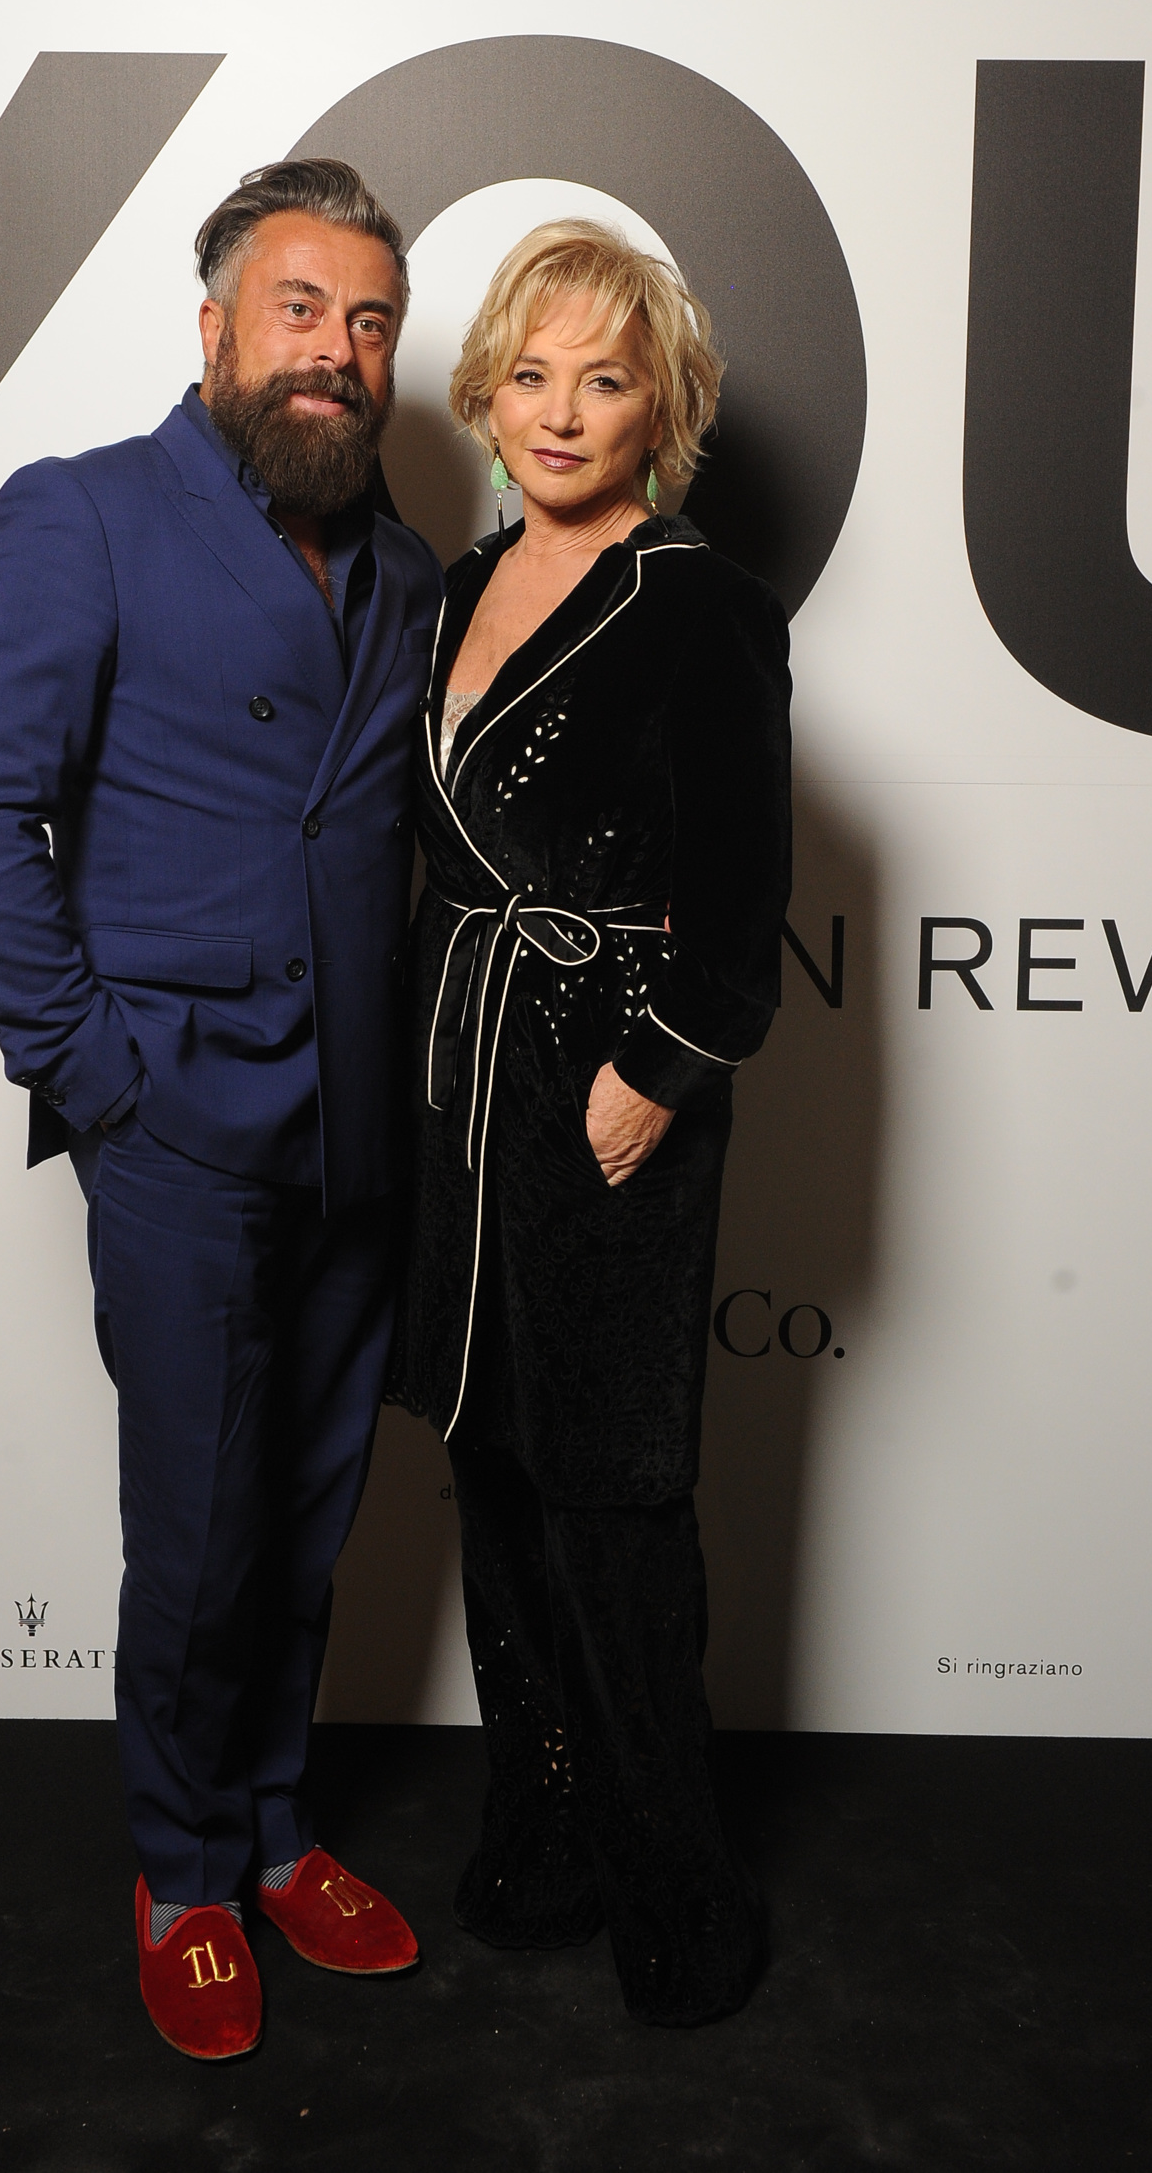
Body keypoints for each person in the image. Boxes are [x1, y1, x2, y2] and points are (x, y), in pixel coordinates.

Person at [0, 159, 442, 2062]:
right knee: (201, 1526)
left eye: (370, 322)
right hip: (179, 1122)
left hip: (358, 1128)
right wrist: (98, 1077)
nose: (336, 351)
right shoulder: (83, 513)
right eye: (300, 308)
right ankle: (182, 1868)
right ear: (214, 327)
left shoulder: (409, 569)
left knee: (310, 1510)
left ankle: (278, 1829)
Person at [393, 219, 793, 2026]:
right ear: (487, 394)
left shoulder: (703, 605)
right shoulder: (458, 578)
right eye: (533, 374)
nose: (562, 411)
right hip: (463, 1086)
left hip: (606, 1087)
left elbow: (742, 907)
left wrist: (654, 1075)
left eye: (606, 379)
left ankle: (678, 1894)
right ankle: (544, 1830)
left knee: (615, 1502)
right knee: (496, 1473)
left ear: (663, 409)